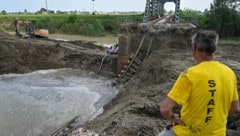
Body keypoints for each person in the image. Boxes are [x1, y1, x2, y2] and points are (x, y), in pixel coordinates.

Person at [159, 30, 240, 136]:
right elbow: (235, 108)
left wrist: (173, 118)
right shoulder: (229, 73)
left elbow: (165, 109)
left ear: (194, 48)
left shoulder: (189, 75)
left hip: (188, 132)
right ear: (213, 49)